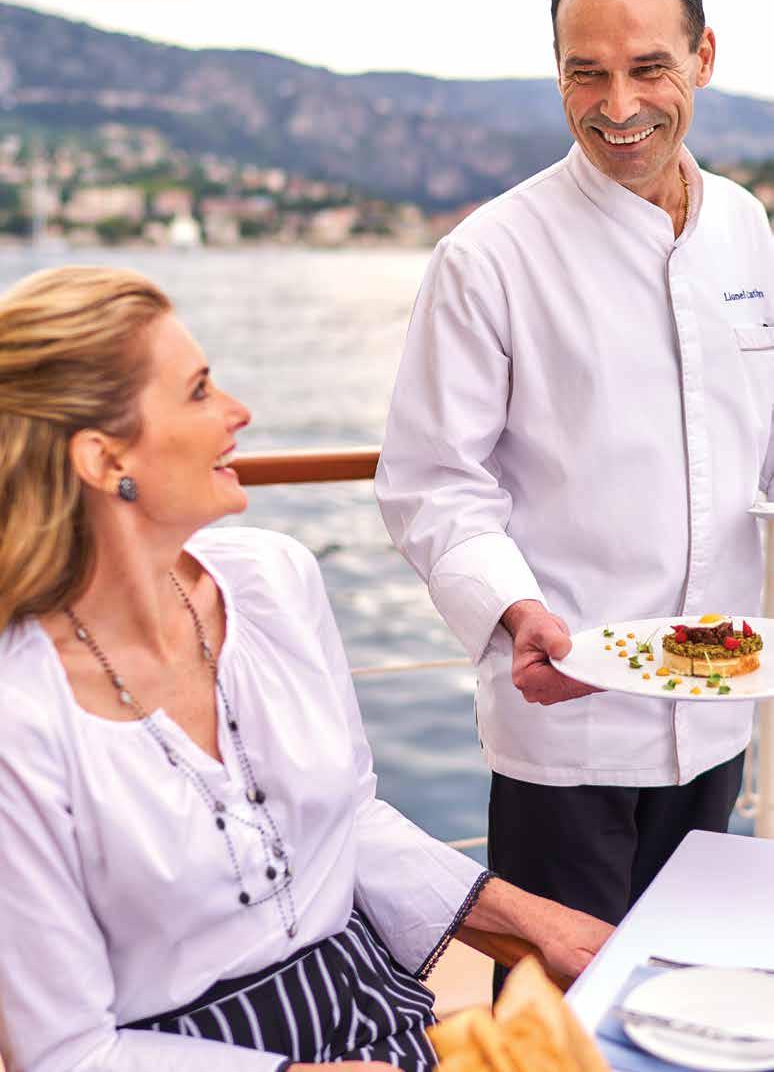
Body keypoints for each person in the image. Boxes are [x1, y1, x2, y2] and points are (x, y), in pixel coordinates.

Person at [0, 266, 612, 1072]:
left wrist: (536, 923)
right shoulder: (20, 715)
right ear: (102, 455)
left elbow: (345, 819)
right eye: (199, 391)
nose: (238, 412)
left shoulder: (273, 583)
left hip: (373, 1012)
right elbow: (65, 1052)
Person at [375, 0, 774, 993]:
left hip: (718, 702)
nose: (618, 105)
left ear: (704, 56)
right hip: (568, 720)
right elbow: (431, 482)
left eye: (649, 67)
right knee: (559, 1022)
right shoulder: (489, 255)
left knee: (690, 994)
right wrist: (513, 611)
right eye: (585, 73)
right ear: (556, 71)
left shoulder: (746, 228)